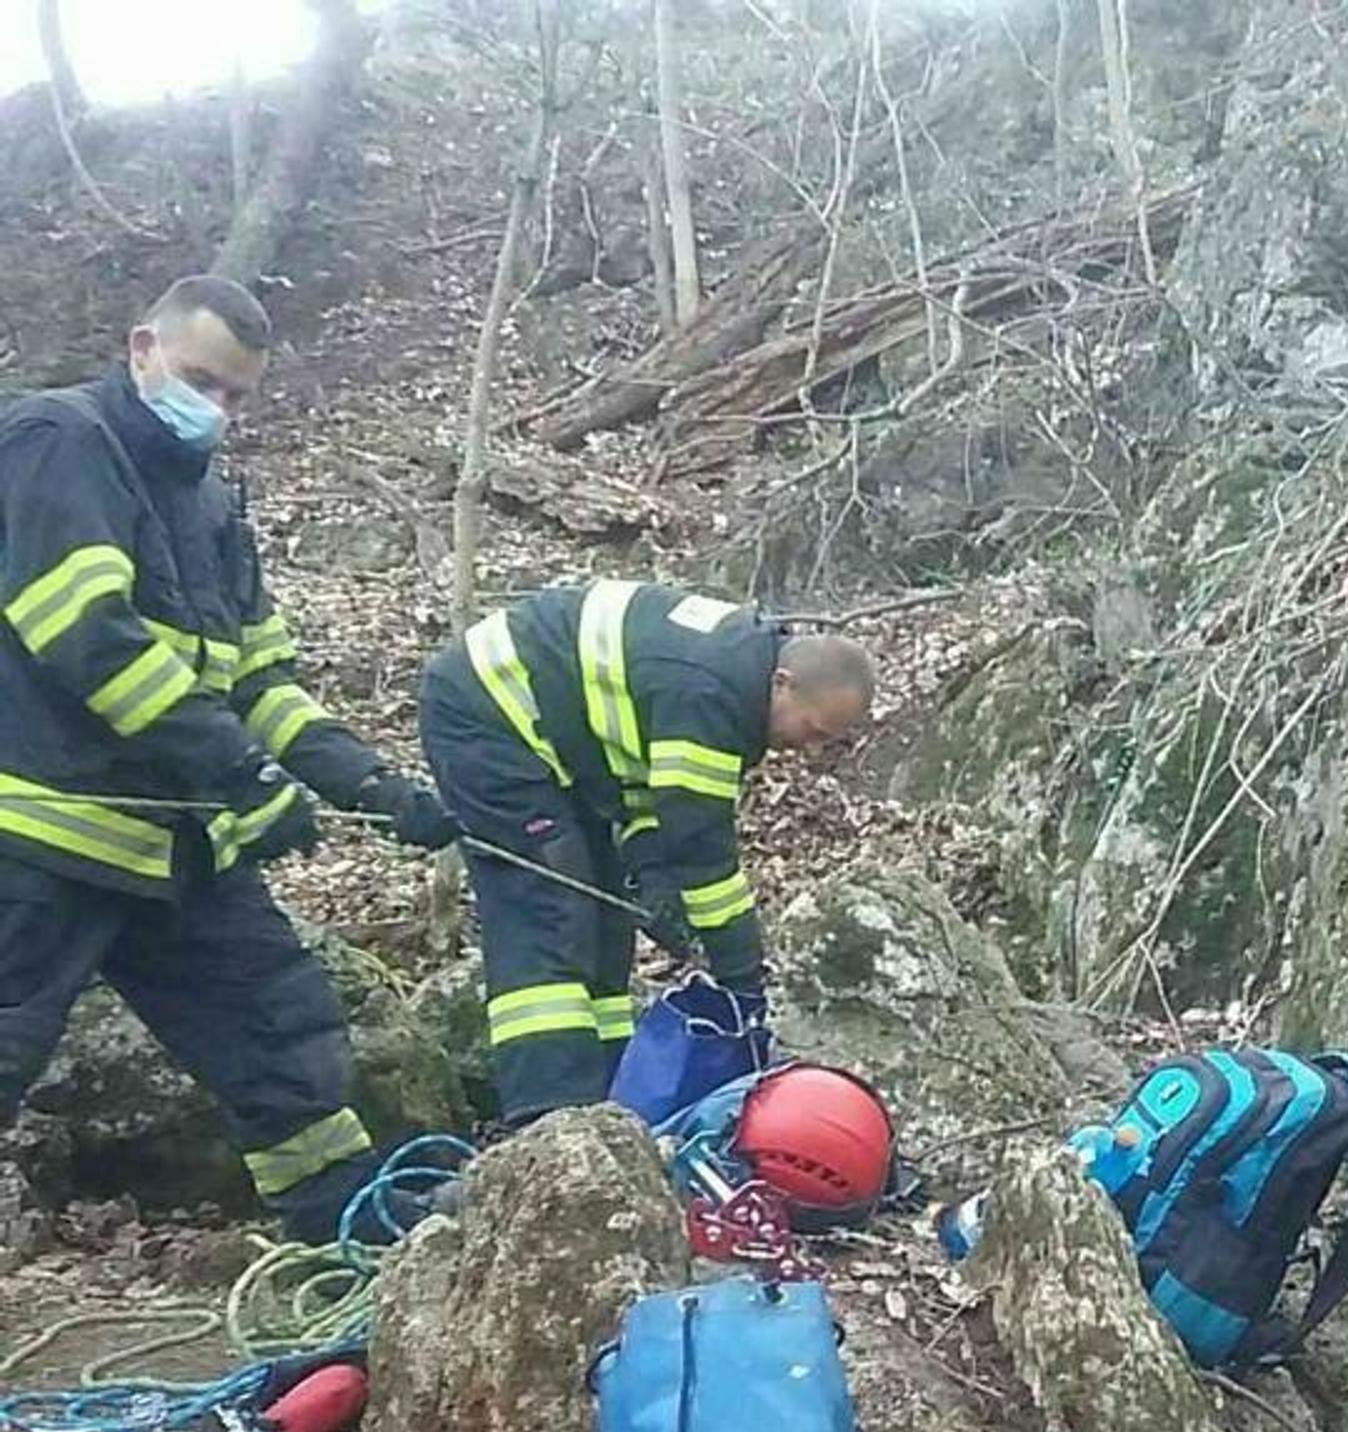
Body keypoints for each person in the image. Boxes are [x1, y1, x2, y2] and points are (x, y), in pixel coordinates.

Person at [0, 275, 457, 1243]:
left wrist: (370, 785)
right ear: (140, 347)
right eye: (198, 379)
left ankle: (344, 1221)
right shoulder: (59, 441)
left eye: (233, 395)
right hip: (41, 830)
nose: (211, 409)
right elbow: (84, 635)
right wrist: (242, 775)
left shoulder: (208, 498)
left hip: (174, 843)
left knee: (276, 1021)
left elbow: (260, 679)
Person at [419, 580, 875, 1124]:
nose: (812, 748)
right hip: (486, 717)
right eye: (813, 729)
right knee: (551, 907)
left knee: (608, 915)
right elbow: (703, 852)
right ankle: (545, 1115)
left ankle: (614, 1100)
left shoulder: (732, 671)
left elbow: (643, 786)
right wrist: (743, 977)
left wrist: (652, 874)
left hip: (568, 748)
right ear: (783, 684)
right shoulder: (712, 695)